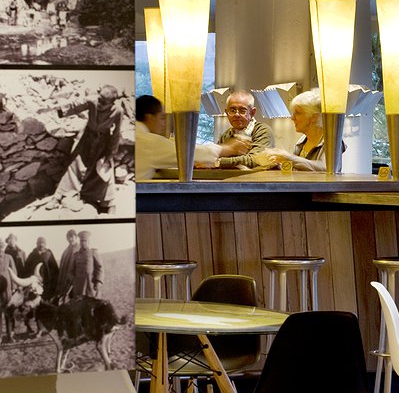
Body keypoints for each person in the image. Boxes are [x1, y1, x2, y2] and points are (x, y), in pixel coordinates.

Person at [46, 85, 123, 214]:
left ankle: (108, 203)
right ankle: (58, 197)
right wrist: (55, 107)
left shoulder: (118, 111)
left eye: (104, 102)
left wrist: (110, 152)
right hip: (86, 138)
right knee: (74, 166)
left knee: (102, 171)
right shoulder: (93, 100)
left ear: (112, 102)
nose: (100, 103)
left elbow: (116, 133)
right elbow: (75, 105)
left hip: (103, 142)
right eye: (100, 98)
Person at [135, 95, 250, 180]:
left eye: (242, 110)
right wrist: (228, 149)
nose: (164, 123)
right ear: (150, 118)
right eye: (162, 118)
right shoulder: (147, 142)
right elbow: (188, 153)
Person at [255, 90, 343, 172]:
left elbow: (326, 168)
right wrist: (278, 165)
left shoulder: (331, 141)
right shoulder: (302, 140)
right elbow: (296, 169)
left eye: (298, 113)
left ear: (314, 117)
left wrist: (289, 158)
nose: (293, 118)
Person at [215, 90, 275, 168]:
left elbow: (255, 160)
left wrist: (220, 162)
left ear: (252, 112)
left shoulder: (262, 131)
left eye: (242, 110)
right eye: (232, 110)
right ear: (227, 113)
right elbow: (214, 157)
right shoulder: (226, 134)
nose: (236, 114)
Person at [66, 230, 103, 298]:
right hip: (79, 289)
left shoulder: (93, 253)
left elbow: (99, 268)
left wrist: (98, 282)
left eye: (85, 241)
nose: (83, 243)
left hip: (91, 287)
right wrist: (75, 281)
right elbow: (70, 271)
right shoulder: (76, 255)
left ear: (89, 242)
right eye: (81, 241)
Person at [0, 239, 17, 342]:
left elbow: (14, 273)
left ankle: (10, 335)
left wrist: (14, 287)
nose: (0, 248)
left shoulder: (9, 257)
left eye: (2, 246)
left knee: (9, 313)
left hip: (7, 291)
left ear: (4, 247)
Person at [56, 229, 79, 297]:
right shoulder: (65, 252)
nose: (70, 239)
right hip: (65, 282)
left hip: (75, 282)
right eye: (68, 237)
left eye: (72, 237)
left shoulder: (80, 249)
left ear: (76, 237)